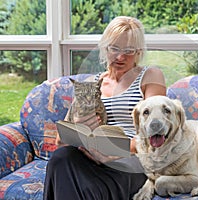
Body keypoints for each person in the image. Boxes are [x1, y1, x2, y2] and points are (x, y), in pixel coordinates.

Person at [43, 16, 166, 200]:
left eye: (129, 50)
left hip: (131, 159)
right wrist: (78, 127)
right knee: (61, 157)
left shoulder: (150, 76)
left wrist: (113, 150)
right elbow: (61, 141)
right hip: (91, 157)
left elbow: (158, 136)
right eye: (114, 48)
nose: (120, 57)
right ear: (105, 47)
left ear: (139, 51)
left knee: (84, 186)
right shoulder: (91, 84)